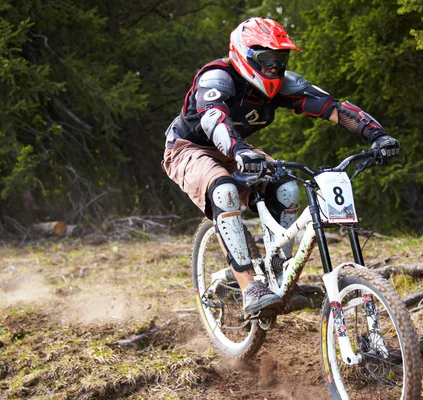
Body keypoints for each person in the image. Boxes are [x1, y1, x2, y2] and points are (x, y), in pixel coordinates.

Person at [162, 17, 400, 318]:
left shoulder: (282, 87)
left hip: (237, 149)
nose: (274, 68)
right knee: (223, 191)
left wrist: (377, 135)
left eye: (280, 60)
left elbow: (333, 108)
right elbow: (213, 118)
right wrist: (240, 151)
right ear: (244, 55)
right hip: (189, 148)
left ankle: (281, 270)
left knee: (287, 188)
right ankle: (249, 287)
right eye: (267, 60)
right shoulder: (218, 77)